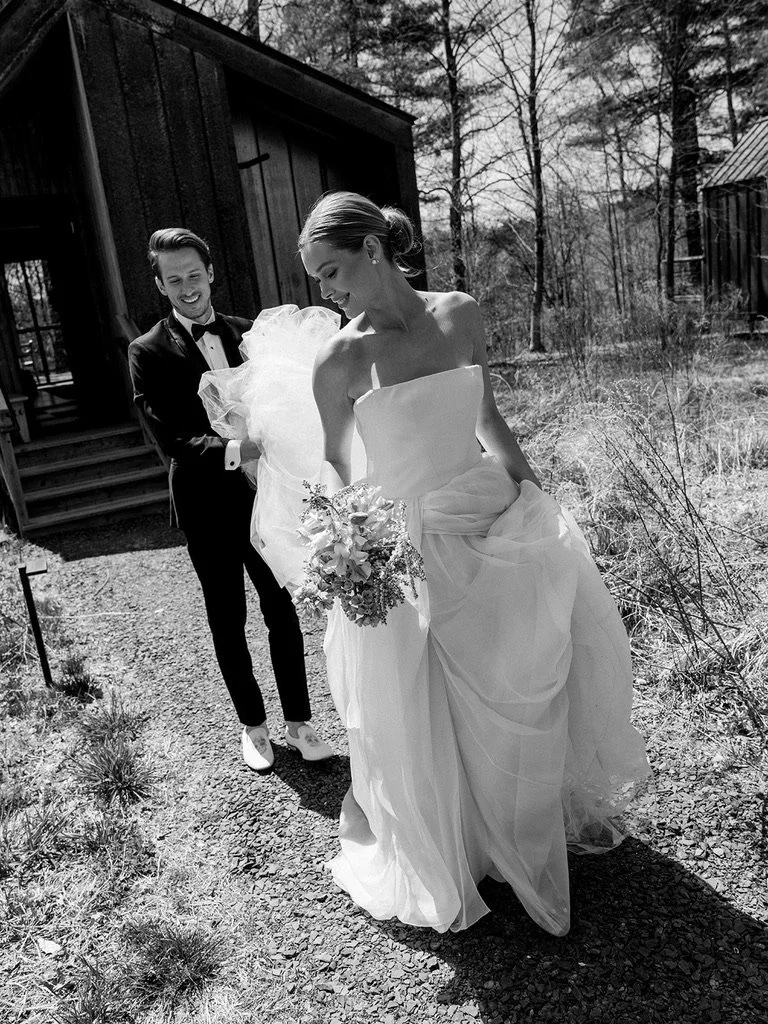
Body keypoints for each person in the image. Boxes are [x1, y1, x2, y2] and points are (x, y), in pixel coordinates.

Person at [204, 193, 650, 936]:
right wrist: (351, 553)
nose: (329, 291)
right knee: (423, 703)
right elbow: (338, 473)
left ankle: (513, 828)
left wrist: (534, 493)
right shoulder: (342, 357)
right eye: (318, 279)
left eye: (335, 270)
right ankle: (455, 848)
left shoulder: (460, 313)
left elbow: (487, 417)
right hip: (402, 543)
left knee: (515, 674)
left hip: (483, 509)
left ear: (375, 249)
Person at [128, 228, 333, 772]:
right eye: (175, 280)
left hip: (264, 497)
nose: (188, 288)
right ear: (160, 285)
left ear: (210, 272)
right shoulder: (146, 351)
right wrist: (241, 447)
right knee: (227, 615)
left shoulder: (250, 335)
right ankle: (254, 728)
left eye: (194, 275)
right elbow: (171, 436)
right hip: (205, 503)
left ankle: (299, 722)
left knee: (281, 607)